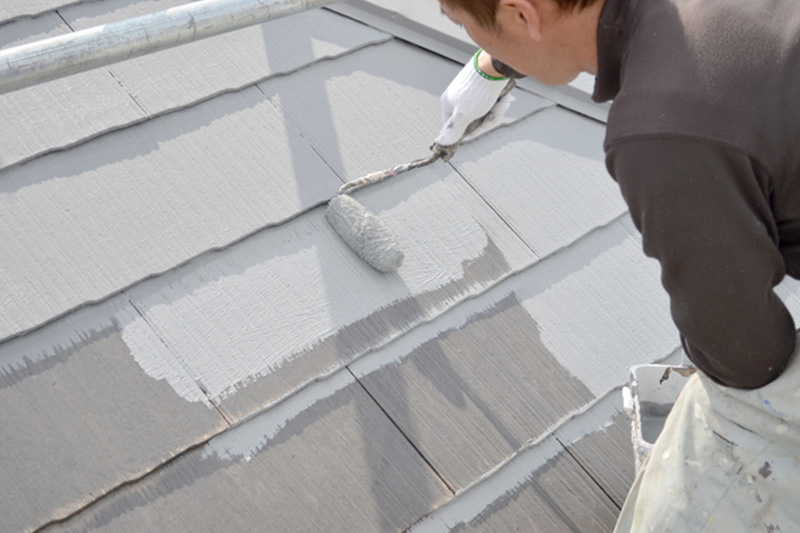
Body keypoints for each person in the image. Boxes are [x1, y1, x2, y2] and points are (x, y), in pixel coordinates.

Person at [435, 0, 800, 530]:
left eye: (467, 27)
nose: (475, 40)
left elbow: (747, 357)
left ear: (522, 15)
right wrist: (492, 65)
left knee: (683, 501)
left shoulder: (664, 127)